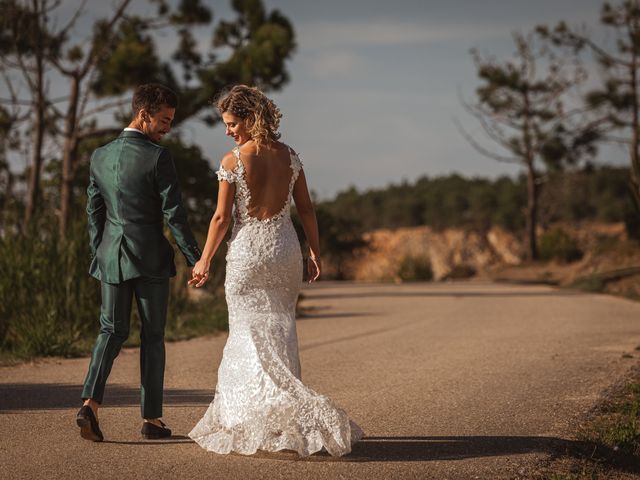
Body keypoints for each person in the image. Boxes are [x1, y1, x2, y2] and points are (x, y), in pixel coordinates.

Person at [187, 85, 363, 457]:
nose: (228, 131)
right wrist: (315, 251)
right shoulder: (291, 157)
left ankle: (248, 417)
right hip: (284, 251)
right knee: (280, 331)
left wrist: (204, 260)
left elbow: (220, 218)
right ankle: (283, 417)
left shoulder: (234, 161)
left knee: (246, 334)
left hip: (249, 252)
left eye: (233, 123)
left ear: (251, 119)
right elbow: (308, 210)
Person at [77, 83, 201, 442]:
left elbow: (93, 211)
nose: (168, 128)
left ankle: (90, 404)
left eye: (171, 121)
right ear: (143, 114)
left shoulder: (99, 155)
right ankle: (151, 420)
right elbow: (174, 213)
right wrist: (195, 257)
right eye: (163, 120)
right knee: (153, 337)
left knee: (110, 330)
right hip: (149, 257)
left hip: (110, 256)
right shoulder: (157, 157)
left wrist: (97, 253)